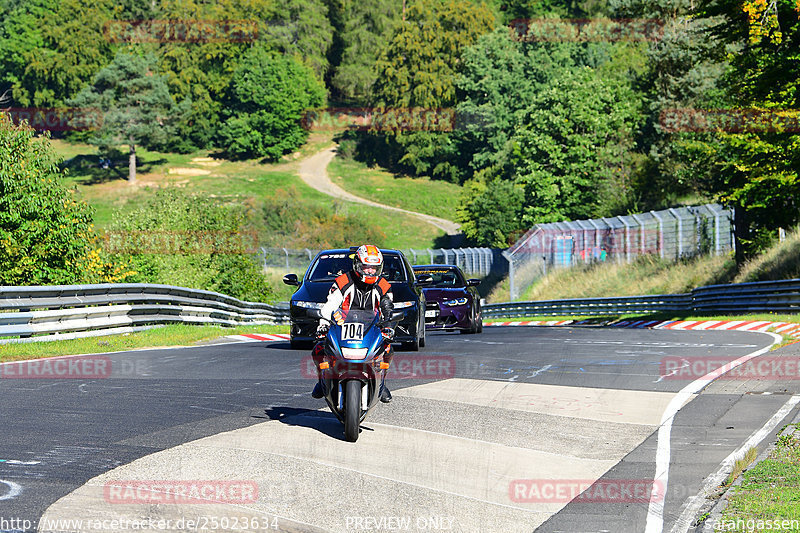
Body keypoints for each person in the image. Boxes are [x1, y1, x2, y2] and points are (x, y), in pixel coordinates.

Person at [311, 245, 395, 403]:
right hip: (342, 325)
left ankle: (381, 383)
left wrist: (389, 326)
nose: (370, 271)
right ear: (357, 264)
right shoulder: (343, 281)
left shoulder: (384, 285)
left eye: (374, 268)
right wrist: (323, 324)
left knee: (388, 348)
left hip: (372, 328)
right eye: (366, 266)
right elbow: (330, 304)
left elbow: (388, 307)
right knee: (319, 347)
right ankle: (322, 380)